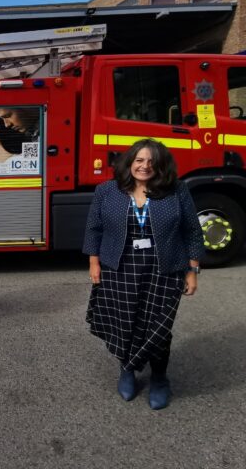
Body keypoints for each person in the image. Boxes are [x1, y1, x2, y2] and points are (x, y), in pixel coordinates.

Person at [83, 138, 204, 410]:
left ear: (160, 166)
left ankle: (160, 378)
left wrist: (192, 270)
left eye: (151, 161)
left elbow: (192, 231)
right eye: (139, 160)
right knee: (124, 320)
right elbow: (94, 228)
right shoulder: (107, 190)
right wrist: (94, 263)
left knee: (158, 327)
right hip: (120, 266)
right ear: (129, 163)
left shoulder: (177, 190)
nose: (145, 166)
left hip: (165, 267)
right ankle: (127, 369)